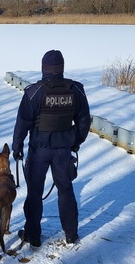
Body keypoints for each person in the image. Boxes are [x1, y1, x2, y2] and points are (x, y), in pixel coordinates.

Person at [12, 49, 91, 247]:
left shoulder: (34, 92)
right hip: (64, 150)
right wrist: (76, 141)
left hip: (39, 150)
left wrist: (17, 147)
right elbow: (83, 121)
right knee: (65, 190)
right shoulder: (76, 90)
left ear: (43, 69)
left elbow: (22, 122)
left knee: (35, 193)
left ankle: (33, 236)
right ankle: (71, 234)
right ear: (62, 68)